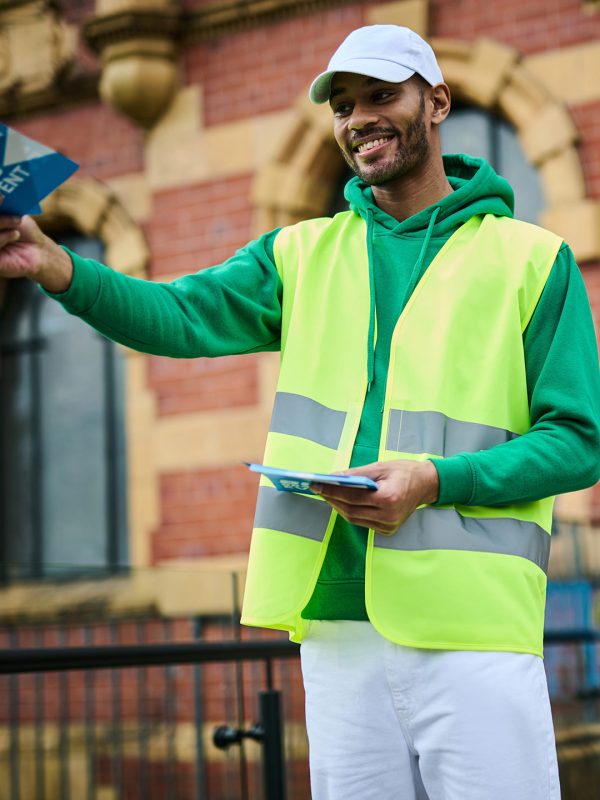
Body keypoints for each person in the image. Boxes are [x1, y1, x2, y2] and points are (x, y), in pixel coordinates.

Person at [0, 23, 599, 800]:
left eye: (382, 95)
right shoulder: (300, 253)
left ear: (437, 101)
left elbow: (579, 442)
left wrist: (433, 478)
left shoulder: (531, 259)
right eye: (344, 105)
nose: (359, 118)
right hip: (334, 628)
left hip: (474, 630)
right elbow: (176, 316)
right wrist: (56, 266)